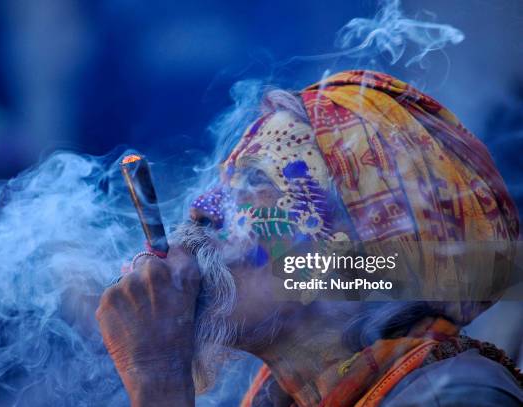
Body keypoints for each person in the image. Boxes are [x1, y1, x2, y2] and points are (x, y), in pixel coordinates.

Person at [96, 71, 523, 406]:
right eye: (225, 183)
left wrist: (158, 378)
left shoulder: (451, 395)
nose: (203, 207)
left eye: (255, 181)